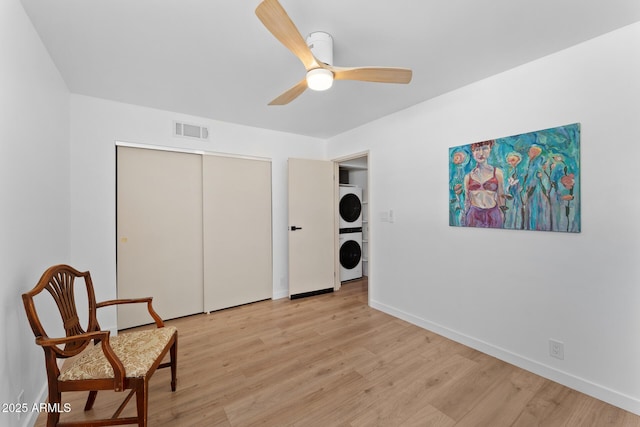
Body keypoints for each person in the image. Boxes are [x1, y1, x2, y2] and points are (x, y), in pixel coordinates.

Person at [463, 140, 505, 228]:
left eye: (485, 148)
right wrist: (464, 216)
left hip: (493, 213)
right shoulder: (468, 177)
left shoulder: (497, 173)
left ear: (490, 149)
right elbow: (467, 200)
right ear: (473, 152)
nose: (481, 153)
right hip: (474, 214)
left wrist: (502, 214)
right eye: (477, 149)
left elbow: (501, 196)